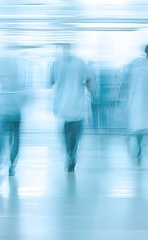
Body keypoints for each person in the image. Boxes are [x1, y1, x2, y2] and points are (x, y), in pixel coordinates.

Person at [50, 43, 94, 173]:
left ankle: (69, 153)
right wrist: (91, 92)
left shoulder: (56, 64)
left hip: (62, 104)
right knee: (76, 131)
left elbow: (51, 81)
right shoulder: (81, 63)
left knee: (66, 130)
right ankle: (72, 153)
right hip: (77, 103)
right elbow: (88, 81)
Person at [0, 43, 27, 176]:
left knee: (1, 135)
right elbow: (23, 87)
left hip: (3, 108)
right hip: (15, 108)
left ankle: (0, 156)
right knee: (15, 137)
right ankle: (12, 164)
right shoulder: (18, 66)